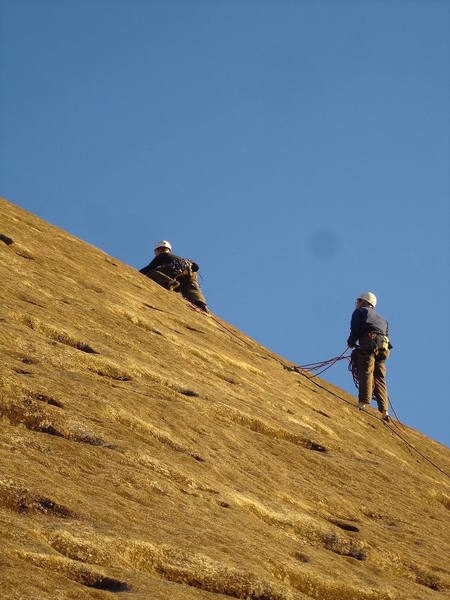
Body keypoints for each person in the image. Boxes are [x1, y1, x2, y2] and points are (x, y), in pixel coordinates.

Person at [347, 291, 392, 421]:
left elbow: (355, 329)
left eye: (358, 301)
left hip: (369, 342)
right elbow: (387, 337)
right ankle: (384, 411)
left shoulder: (360, 312)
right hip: (383, 348)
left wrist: (351, 342)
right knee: (379, 377)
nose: (356, 303)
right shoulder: (383, 320)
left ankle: (364, 402)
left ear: (363, 302)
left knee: (366, 370)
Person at [140, 240, 208, 312]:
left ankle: (169, 283)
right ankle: (200, 303)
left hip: (175, 269)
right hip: (190, 272)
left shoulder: (162, 255)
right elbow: (196, 267)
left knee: (151, 272)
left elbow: (148, 268)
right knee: (191, 287)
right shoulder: (179, 258)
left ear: (158, 249)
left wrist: (137, 273)